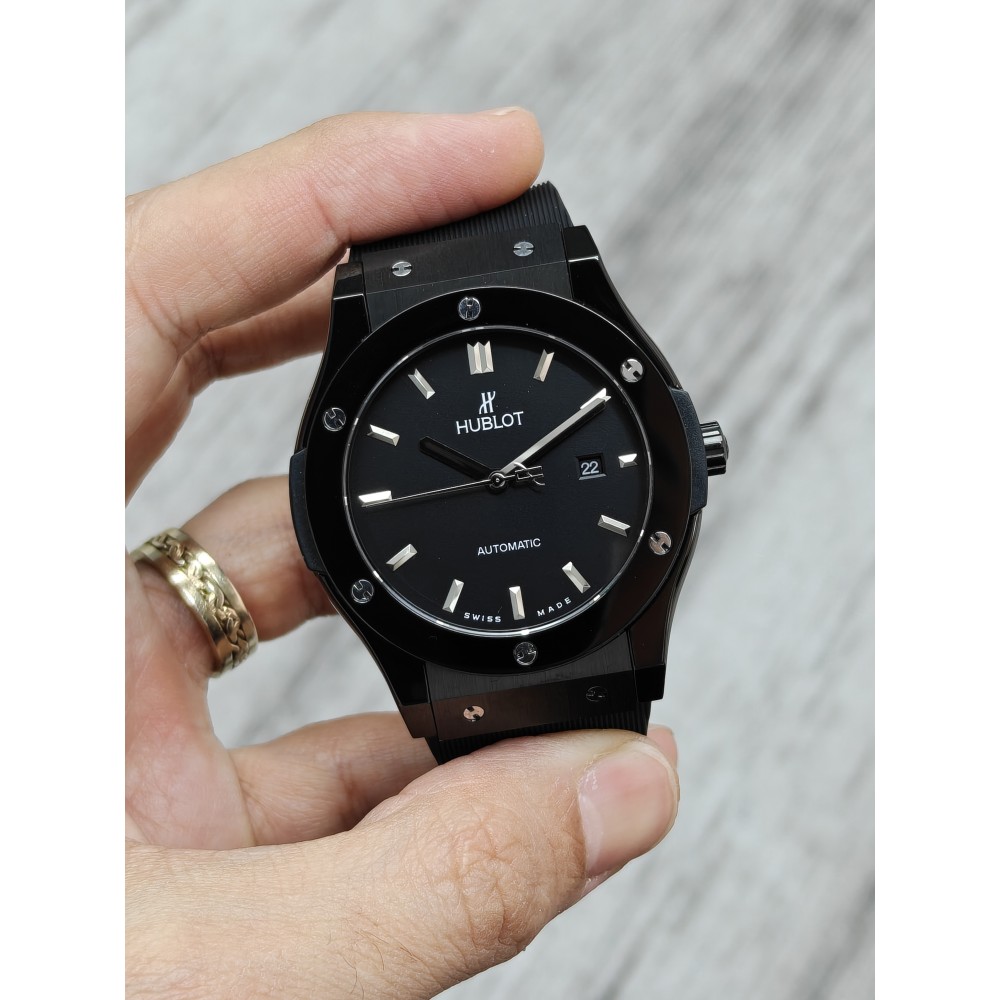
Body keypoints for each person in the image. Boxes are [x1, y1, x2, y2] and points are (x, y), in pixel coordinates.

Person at [125, 108, 681, 998]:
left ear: (692, 448)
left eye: (510, 473)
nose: (503, 479)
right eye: (492, 477)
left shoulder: (563, 276)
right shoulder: (375, 312)